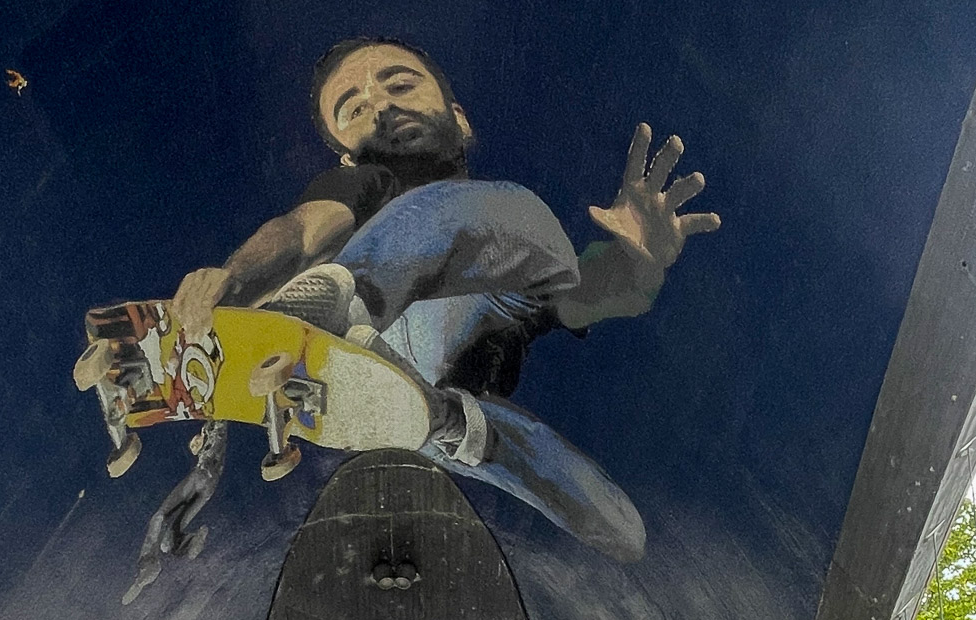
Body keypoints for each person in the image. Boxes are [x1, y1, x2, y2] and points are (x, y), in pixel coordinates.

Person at [173, 36, 719, 564]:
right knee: (390, 244)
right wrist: (234, 280)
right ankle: (346, 333)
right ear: (344, 157)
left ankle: (421, 397)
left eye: (400, 86)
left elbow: (588, 296)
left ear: (458, 116)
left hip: (483, 313)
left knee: (626, 532)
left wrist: (639, 265)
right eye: (354, 109)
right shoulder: (361, 185)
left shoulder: (496, 213)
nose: (381, 107)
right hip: (383, 344)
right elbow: (300, 233)